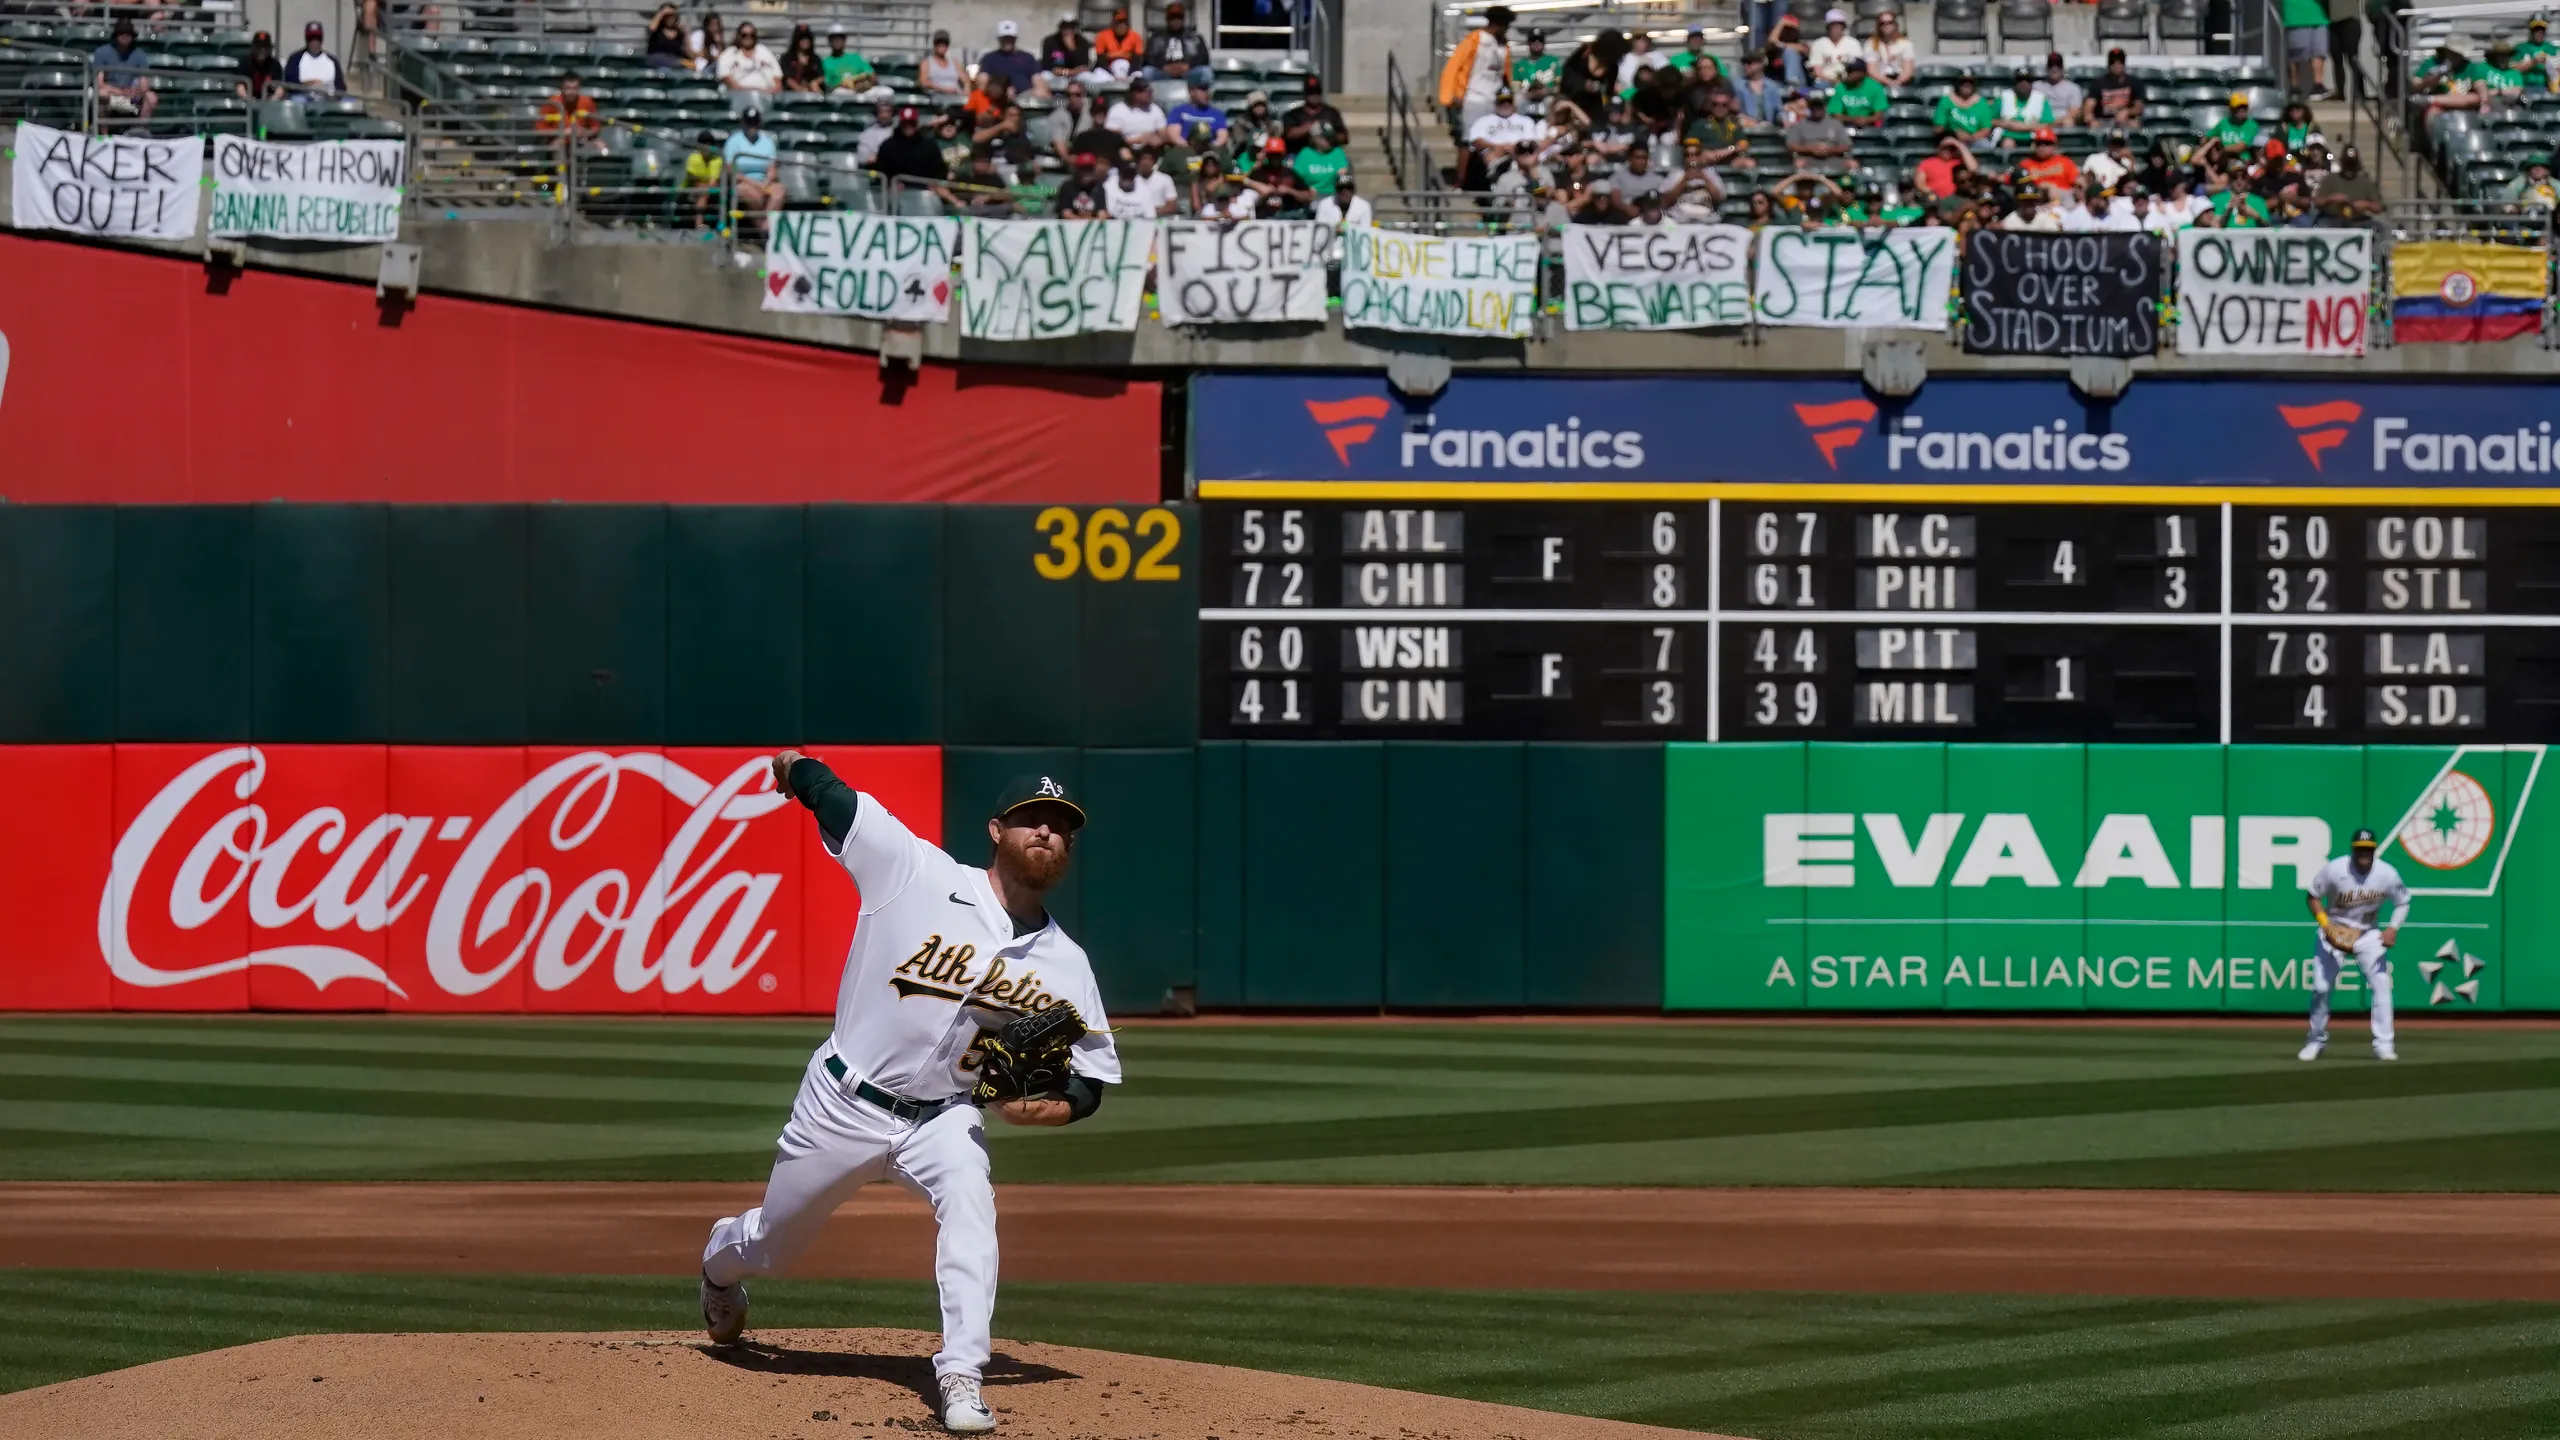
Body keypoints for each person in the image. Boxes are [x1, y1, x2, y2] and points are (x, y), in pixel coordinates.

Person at [700, 762, 1120, 1437]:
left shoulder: (1066, 963)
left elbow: (1088, 1083)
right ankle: (720, 1267)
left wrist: (1052, 1108)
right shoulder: (917, 874)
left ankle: (961, 1374)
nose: (1048, 830)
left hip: (946, 1116)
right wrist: (793, 769)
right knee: (774, 1241)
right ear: (996, 829)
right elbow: (837, 802)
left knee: (972, 1211)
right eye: (1032, 817)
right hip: (844, 1101)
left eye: (1063, 826)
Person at [2298, 828, 2408, 1062]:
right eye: (2360, 849)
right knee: (2321, 987)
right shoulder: (2335, 869)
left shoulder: (2386, 873)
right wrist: (2326, 925)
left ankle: (2384, 1045)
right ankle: (2315, 1040)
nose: (2364, 854)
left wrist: (2393, 928)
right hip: (2334, 930)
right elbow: (2312, 896)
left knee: (2381, 985)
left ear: (2374, 850)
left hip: (2367, 934)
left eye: (2368, 849)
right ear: (2353, 849)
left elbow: (2403, 902)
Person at [1439, 4, 1516, 134]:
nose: (1507, 29)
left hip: (1495, 100)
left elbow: (1505, 74)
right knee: (1471, 138)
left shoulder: (1504, 45)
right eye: (1506, 25)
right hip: (1474, 98)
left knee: (1493, 137)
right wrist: (1451, 95)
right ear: (1497, 24)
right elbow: (1453, 66)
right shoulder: (1474, 40)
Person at [721, 108, 783, 239]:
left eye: (754, 123)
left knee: (779, 191)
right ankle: (762, 229)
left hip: (763, 181)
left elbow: (772, 168)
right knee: (753, 195)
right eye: (749, 123)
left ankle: (766, 225)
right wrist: (754, 184)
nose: (752, 127)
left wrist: (767, 182)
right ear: (743, 123)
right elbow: (730, 170)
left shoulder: (767, 142)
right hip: (743, 181)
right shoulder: (734, 140)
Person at [91, 19, 157, 123]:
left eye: (129, 33)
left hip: (130, 95)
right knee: (101, 94)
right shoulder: (102, 52)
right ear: (116, 35)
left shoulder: (139, 55)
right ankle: (103, 135)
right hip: (111, 93)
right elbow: (99, 84)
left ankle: (140, 131)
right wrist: (121, 92)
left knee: (151, 97)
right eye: (121, 33)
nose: (125, 35)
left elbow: (144, 84)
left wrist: (137, 91)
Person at [873, 104, 950, 188]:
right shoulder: (888, 146)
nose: (908, 127)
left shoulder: (929, 145)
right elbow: (881, 172)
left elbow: (940, 171)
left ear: (916, 124)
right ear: (900, 124)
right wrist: (891, 182)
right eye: (905, 123)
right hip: (895, 194)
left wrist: (933, 184)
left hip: (925, 193)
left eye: (911, 123)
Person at [1142, 1, 1211, 88]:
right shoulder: (1155, 37)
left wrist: (1188, 66)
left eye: (1179, 17)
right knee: (1147, 72)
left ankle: (1202, 100)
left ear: (1183, 19)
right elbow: (1148, 58)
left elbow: (1204, 58)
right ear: (1167, 19)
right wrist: (1164, 66)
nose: (1176, 20)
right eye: (1172, 18)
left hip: (1188, 72)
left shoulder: (1195, 37)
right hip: (1163, 71)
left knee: (1205, 72)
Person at [718, 22, 781, 114]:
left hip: (765, 99)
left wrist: (764, 92)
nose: (748, 37)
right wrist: (753, 93)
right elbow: (728, 82)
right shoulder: (729, 54)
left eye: (752, 35)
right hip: (737, 99)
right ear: (739, 36)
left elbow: (778, 83)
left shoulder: (765, 52)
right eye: (744, 35)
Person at [1243, 135, 1314, 215]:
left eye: (1277, 155)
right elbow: (1245, 195)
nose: (1274, 158)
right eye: (1271, 154)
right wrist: (1264, 193)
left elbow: (1309, 197)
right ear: (1267, 155)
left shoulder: (1290, 173)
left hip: (1287, 216)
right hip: (1263, 217)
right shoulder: (1258, 173)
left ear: (1283, 154)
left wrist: (1289, 191)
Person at [979, 20, 1046, 101]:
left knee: (1040, 92)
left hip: (1024, 97)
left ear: (1015, 38)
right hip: (997, 97)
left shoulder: (1028, 58)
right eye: (1004, 38)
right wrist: (1001, 91)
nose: (1007, 41)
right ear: (999, 39)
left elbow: (1039, 83)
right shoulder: (989, 58)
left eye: (1010, 38)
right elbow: (982, 84)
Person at [1785, 89, 1851, 171]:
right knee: (1798, 163)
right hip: (1808, 158)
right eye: (1814, 106)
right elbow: (1791, 146)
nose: (1816, 109)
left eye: (1819, 106)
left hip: (1833, 158)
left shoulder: (1835, 124)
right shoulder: (1800, 125)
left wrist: (1830, 150)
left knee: (1852, 164)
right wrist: (1811, 149)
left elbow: (1846, 146)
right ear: (1809, 107)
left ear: (1825, 106)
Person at [1281, 73, 1348, 153]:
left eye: (1317, 92)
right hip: (1299, 155)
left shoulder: (1332, 113)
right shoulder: (1293, 114)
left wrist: (1328, 132)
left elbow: (1344, 138)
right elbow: (1289, 134)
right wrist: (1311, 127)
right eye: (1311, 92)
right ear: (1305, 94)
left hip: (1326, 155)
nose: (1314, 95)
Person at [2314, 144, 2384, 218]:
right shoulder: (2330, 179)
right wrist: (2330, 199)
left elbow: (2379, 207)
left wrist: (2367, 205)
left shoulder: (2366, 182)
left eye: (2352, 164)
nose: (2349, 168)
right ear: (2341, 162)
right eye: (2347, 164)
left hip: (2358, 220)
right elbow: (2317, 202)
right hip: (2333, 219)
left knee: (2380, 227)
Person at [1934, 71, 1998, 151]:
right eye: (1963, 81)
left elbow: (1986, 129)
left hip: (1975, 139)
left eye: (1970, 82)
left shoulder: (1982, 103)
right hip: (1953, 138)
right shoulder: (1946, 101)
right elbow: (1938, 128)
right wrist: (1954, 134)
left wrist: (1971, 138)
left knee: (1985, 146)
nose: (1967, 84)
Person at [537, 71, 602, 148]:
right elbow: (540, 129)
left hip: (581, 140)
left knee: (600, 145)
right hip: (559, 140)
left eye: (575, 88)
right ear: (562, 88)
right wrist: (562, 132)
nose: (571, 92)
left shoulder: (587, 102)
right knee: (557, 146)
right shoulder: (552, 103)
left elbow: (595, 127)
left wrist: (585, 132)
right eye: (568, 88)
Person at [2081, 48, 2143, 126]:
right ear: (2108, 64)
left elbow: (2139, 107)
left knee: (2135, 124)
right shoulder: (2098, 83)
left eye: (2120, 61)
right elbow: (2089, 105)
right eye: (2113, 62)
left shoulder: (2135, 82)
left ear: (2124, 63)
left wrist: (2127, 111)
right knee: (2094, 125)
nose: (2117, 65)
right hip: (2103, 120)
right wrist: (2090, 118)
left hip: (2125, 120)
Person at [282, 21, 345, 96]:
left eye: (318, 38)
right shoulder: (295, 59)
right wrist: (311, 84)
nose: (314, 42)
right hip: (303, 100)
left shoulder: (332, 61)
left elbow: (341, 88)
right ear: (306, 40)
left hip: (328, 101)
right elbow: (289, 84)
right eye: (311, 39)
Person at [2282, 0, 2330, 98]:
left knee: (2319, 53)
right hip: (2296, 17)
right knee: (2295, 57)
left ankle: (2318, 85)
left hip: (2319, 16)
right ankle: (2294, 87)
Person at [1995, 67, 2055, 146]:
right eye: (2020, 80)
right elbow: (1991, 120)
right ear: (2014, 82)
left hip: (2033, 137)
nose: (2024, 83)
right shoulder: (2004, 96)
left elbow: (2048, 125)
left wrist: (2023, 127)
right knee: (2008, 143)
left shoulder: (2040, 98)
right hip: (2008, 136)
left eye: (2028, 80)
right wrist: (2007, 124)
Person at [1165, 74, 1227, 149]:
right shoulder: (1178, 111)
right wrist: (1190, 150)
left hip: (1210, 152)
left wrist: (1210, 149)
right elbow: (1174, 136)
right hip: (1185, 151)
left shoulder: (1217, 114)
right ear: (1191, 91)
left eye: (1207, 89)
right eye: (1202, 89)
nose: (1206, 93)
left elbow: (1222, 136)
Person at [1105, 75, 1169, 146]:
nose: (1150, 95)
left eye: (1151, 91)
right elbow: (1112, 138)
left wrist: (1156, 139)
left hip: (1150, 148)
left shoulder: (1154, 109)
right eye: (1147, 92)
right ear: (1135, 94)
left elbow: (1163, 134)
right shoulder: (1118, 110)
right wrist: (1139, 139)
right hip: (1126, 147)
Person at [824, 28, 888, 99]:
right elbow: (828, 86)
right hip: (842, 92)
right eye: (834, 38)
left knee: (887, 92)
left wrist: (865, 81)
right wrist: (841, 85)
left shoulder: (856, 58)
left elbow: (871, 75)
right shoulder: (825, 63)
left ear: (845, 40)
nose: (837, 40)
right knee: (840, 92)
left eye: (840, 38)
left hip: (862, 91)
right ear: (829, 41)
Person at [1291, 121, 1350, 197]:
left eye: (1331, 137)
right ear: (1315, 138)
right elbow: (1297, 176)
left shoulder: (1337, 152)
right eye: (1326, 137)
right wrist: (1305, 189)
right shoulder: (1305, 154)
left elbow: (1343, 172)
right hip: (1311, 196)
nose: (1330, 140)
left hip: (1333, 195)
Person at [1047, 79, 1101, 161]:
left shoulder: (1093, 110)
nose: (1073, 98)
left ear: (1083, 95)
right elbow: (1058, 142)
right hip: (1070, 156)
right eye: (1069, 95)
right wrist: (1068, 160)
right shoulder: (1058, 115)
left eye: (1077, 95)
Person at [2016, 127, 2079, 196]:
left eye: (2047, 143)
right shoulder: (2025, 164)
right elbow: (2011, 180)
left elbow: (2077, 182)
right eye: (2039, 143)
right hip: (2034, 199)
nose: (2043, 146)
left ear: (2054, 145)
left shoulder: (2065, 162)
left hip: (2063, 198)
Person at [1830, 57, 1892, 127]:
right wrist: (1854, 119)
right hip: (1847, 125)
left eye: (1853, 70)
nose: (1850, 73)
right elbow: (1835, 114)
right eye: (1848, 70)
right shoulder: (1841, 87)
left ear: (1863, 72)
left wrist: (1866, 120)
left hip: (1871, 125)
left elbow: (1880, 114)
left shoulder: (1874, 87)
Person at [1913, 133, 1977, 199]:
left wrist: (1958, 144)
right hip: (1935, 199)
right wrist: (1933, 194)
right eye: (1945, 148)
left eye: (1951, 148)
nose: (1948, 151)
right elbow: (1920, 184)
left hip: (1957, 198)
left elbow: (1973, 168)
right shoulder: (1927, 163)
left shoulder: (1958, 161)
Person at [680, 128, 724, 225]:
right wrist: (704, 185)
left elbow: (713, 182)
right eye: (704, 144)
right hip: (688, 190)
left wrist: (705, 186)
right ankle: (699, 224)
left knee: (704, 192)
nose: (706, 147)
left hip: (708, 190)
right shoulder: (693, 158)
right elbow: (692, 180)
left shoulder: (717, 160)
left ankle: (699, 225)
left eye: (709, 144)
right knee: (703, 191)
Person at [1806, 9, 1858, 84]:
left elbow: (1858, 69)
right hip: (1824, 81)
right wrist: (1833, 81)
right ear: (1828, 27)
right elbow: (1817, 71)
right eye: (1832, 25)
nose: (1835, 28)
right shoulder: (1818, 44)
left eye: (1838, 25)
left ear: (1843, 27)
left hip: (1848, 81)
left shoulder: (1853, 43)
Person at [1734, 50, 1786, 125]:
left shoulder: (1772, 86)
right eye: (1744, 63)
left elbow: (1778, 110)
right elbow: (1734, 111)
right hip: (1746, 128)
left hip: (1767, 128)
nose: (1745, 66)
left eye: (1749, 63)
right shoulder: (1738, 85)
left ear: (1760, 64)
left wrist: (1783, 119)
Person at [1864, 12, 1914, 89]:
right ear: (1878, 26)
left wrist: (1898, 82)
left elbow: (1908, 70)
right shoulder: (1871, 44)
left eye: (1890, 23)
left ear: (1895, 24)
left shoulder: (1905, 44)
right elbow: (1871, 70)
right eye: (1882, 23)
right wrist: (1888, 82)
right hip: (1879, 80)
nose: (1886, 26)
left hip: (1900, 80)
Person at [1512, 27, 1562, 103]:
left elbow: (1560, 86)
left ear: (1544, 43)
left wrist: (1547, 91)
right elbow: (1515, 88)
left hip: (1547, 97)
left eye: (1540, 40)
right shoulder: (1520, 64)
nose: (1537, 43)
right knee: (1517, 99)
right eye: (1533, 40)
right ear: (1528, 43)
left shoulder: (1553, 61)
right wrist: (1526, 93)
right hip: (1526, 98)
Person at [1093, 7, 1145, 75]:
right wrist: (1112, 75)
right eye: (1119, 22)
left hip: (1129, 69)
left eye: (1124, 22)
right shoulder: (1102, 36)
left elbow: (1137, 59)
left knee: (1138, 75)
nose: (1122, 25)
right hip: (1106, 69)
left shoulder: (1136, 36)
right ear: (1113, 23)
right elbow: (1101, 58)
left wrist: (1110, 55)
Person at [2032, 52, 2082, 121]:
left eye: (2058, 65)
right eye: (2051, 65)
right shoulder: (2036, 86)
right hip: (2041, 121)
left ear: (2062, 68)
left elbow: (2074, 111)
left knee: (2069, 122)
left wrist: (2057, 122)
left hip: (2063, 122)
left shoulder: (2073, 88)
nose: (2054, 68)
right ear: (2046, 67)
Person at [237, 29, 285, 99]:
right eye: (258, 46)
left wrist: (272, 100)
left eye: (264, 47)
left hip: (269, 101)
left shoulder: (275, 65)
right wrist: (247, 98)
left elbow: (279, 89)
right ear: (253, 47)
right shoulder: (246, 62)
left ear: (269, 49)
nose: (261, 50)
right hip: (249, 100)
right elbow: (240, 86)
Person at [779, 25, 825, 93]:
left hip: (812, 94)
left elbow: (822, 77)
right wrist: (801, 90)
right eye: (802, 38)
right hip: (791, 95)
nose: (805, 41)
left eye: (807, 38)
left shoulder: (815, 58)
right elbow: (787, 79)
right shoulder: (787, 58)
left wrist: (815, 83)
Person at [1041, 17, 1089, 82]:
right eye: (1065, 27)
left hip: (1076, 75)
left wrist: (1072, 49)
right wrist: (1068, 72)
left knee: (1086, 76)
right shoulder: (1050, 41)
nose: (1068, 30)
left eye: (1071, 27)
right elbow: (1048, 66)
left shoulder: (1082, 41)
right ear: (1060, 28)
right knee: (1044, 76)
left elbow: (1083, 66)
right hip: (1056, 74)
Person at [919, 30, 965, 97]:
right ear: (935, 45)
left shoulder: (954, 63)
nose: (942, 47)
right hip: (936, 96)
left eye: (944, 45)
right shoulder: (927, 62)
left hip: (955, 96)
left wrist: (966, 89)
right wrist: (942, 88)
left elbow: (965, 80)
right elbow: (923, 82)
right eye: (939, 44)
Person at [855, 99, 897, 163]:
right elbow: (862, 158)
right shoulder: (867, 134)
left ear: (893, 113)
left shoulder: (900, 130)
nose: (885, 115)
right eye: (881, 112)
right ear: (876, 114)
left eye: (888, 111)